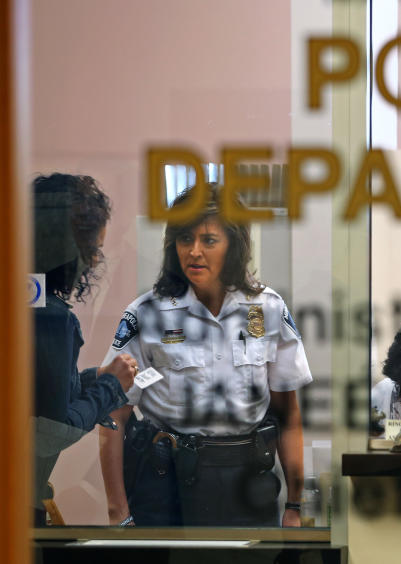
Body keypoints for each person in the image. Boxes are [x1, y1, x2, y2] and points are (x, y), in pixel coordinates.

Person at [98, 184, 312, 527]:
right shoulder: (146, 314)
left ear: (235, 245)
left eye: (209, 241)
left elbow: (288, 416)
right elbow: (113, 417)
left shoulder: (267, 309)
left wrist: (295, 506)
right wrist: (118, 513)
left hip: (248, 481)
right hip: (165, 483)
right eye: (185, 239)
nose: (194, 252)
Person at [32, 173, 137, 526]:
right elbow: (49, 430)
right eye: (91, 249)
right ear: (64, 245)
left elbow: (35, 396)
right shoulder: (50, 317)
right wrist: (111, 388)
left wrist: (94, 378)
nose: (94, 262)